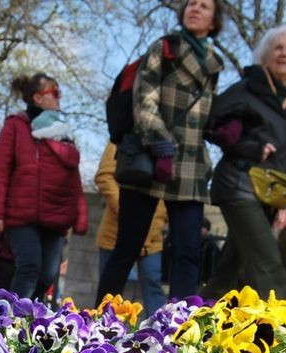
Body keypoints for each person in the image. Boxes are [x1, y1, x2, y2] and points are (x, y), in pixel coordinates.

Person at [95, 0, 223, 305]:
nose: (195, 8)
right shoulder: (164, 48)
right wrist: (161, 145)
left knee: (188, 251)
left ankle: (182, 327)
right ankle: (99, 320)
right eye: (191, 3)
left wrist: (221, 129)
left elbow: (204, 114)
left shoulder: (214, 62)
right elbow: (145, 99)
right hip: (150, 158)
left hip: (191, 163)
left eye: (204, 6)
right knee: (127, 246)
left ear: (214, 19)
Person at [206, 24, 286, 301]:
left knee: (230, 268)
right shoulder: (246, 90)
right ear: (265, 56)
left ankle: (200, 316)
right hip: (238, 185)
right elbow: (210, 124)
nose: (284, 53)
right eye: (278, 48)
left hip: (271, 193)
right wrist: (251, 148)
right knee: (267, 262)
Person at [0, 72, 87, 301]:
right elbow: (0, 170)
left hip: (55, 215)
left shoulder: (63, 132)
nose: (59, 97)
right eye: (54, 92)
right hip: (21, 215)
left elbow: (74, 177)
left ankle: (31, 320)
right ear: (38, 98)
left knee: (47, 275)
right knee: (29, 267)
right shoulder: (16, 126)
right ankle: (9, 322)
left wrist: (79, 215)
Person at [94, 141, 168, 316]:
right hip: (116, 233)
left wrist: (163, 216)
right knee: (109, 291)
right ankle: (100, 331)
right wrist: (126, 210)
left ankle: (162, 332)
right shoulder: (120, 139)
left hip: (152, 235)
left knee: (153, 285)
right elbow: (104, 176)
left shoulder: (167, 144)